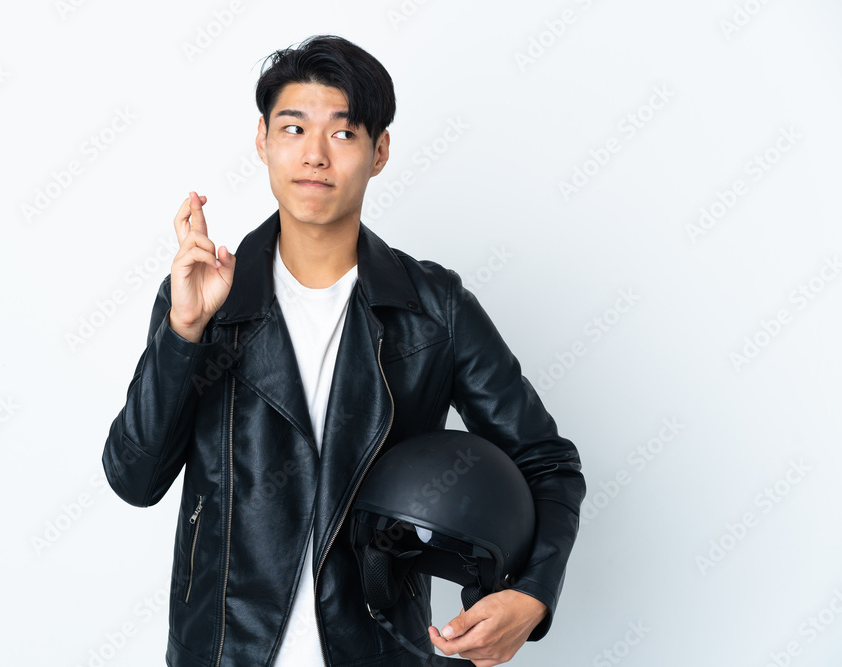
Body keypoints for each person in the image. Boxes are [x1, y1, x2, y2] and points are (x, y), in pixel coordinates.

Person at [101, 34, 585, 667]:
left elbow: (547, 462)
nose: (315, 156)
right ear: (262, 141)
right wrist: (184, 331)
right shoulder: (205, 296)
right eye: (294, 128)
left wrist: (532, 594)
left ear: (379, 151)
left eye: (344, 133)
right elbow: (134, 479)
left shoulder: (433, 307)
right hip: (223, 653)